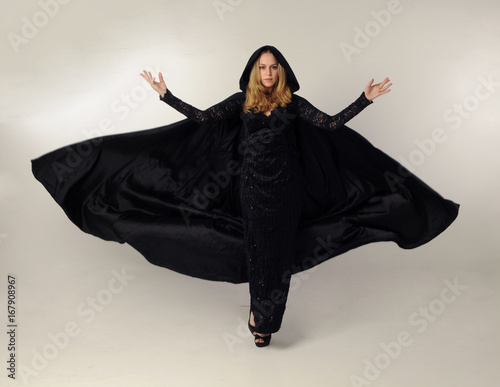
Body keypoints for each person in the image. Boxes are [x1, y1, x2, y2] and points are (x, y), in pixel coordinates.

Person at [31, 45, 459, 348]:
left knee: (280, 255)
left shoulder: (293, 104)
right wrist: (166, 96)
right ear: (255, 72)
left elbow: (329, 126)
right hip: (252, 191)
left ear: (282, 72)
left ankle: (267, 320)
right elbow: (201, 120)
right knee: (259, 253)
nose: (269, 73)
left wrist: (363, 100)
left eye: (274, 67)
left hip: (287, 192)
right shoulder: (242, 103)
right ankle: (259, 316)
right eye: (263, 67)